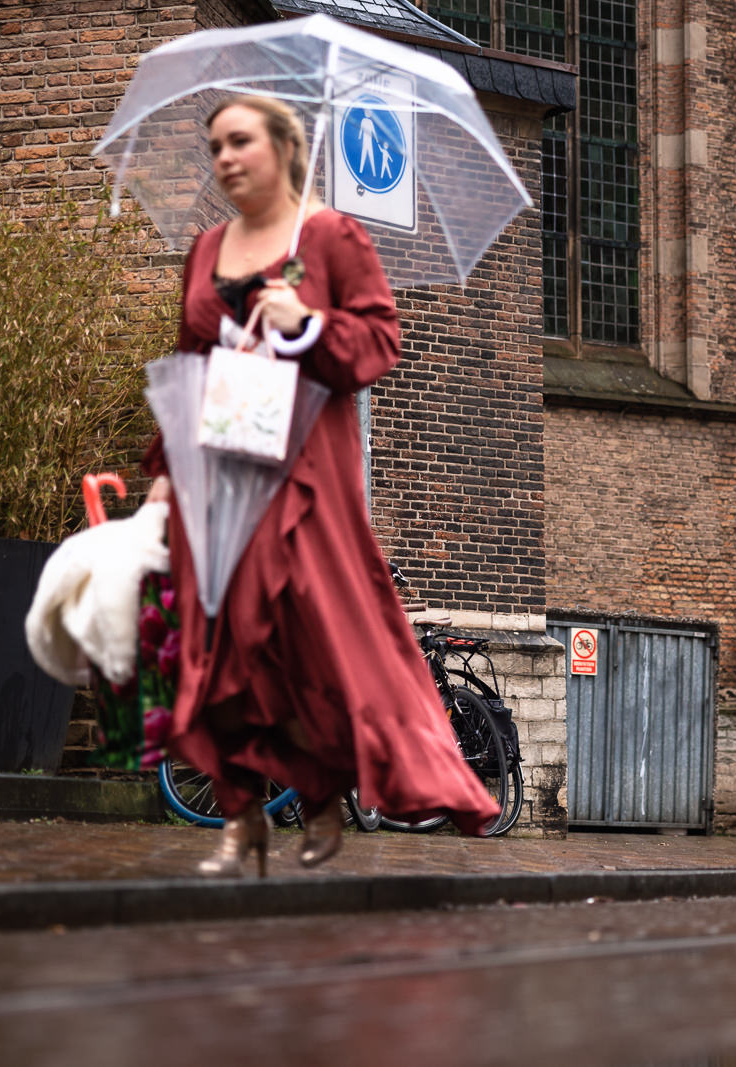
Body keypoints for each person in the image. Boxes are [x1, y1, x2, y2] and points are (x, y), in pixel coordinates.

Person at [143, 95, 500, 877]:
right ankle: (241, 819)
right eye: (215, 146)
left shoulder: (330, 236)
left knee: (322, 645)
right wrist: (164, 485)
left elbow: (378, 338)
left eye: (241, 141)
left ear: (284, 147)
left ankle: (326, 795)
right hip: (226, 471)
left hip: (307, 478)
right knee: (224, 649)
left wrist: (304, 320)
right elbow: (188, 370)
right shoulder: (206, 252)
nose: (225, 157)